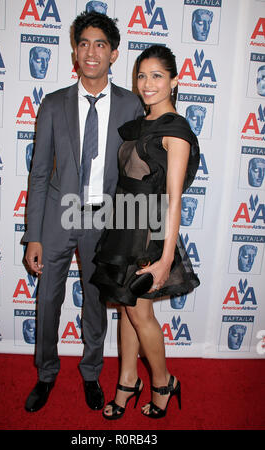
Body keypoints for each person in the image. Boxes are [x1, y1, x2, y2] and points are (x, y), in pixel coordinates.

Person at [23, 11, 143, 413]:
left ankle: (92, 372)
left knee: (95, 301)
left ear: (114, 53)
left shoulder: (131, 105)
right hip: (58, 216)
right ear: (75, 51)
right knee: (48, 300)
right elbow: (39, 173)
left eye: (101, 44)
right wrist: (34, 235)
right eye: (84, 43)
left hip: (103, 219)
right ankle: (46, 373)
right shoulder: (53, 104)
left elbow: (139, 172)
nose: (91, 52)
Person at [91, 45, 200, 419]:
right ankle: (126, 380)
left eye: (157, 75)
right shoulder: (139, 126)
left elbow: (173, 200)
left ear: (174, 80)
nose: (148, 83)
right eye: (142, 75)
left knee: (140, 314)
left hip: (149, 233)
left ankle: (163, 381)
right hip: (124, 223)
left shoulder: (176, 131)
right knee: (127, 307)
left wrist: (166, 258)